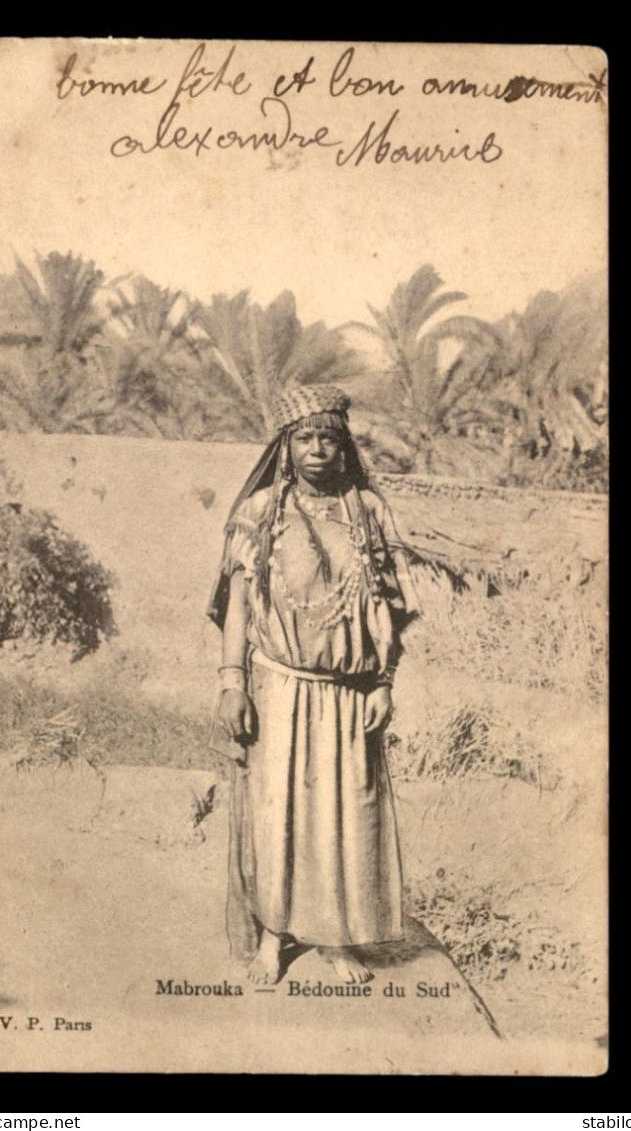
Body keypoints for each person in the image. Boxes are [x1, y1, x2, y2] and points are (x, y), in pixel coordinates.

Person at [207, 385, 420, 986]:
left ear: (344, 444)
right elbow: (238, 610)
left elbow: (393, 612)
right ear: (285, 446)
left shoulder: (368, 513)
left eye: (329, 437)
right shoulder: (259, 514)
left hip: (351, 693)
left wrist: (383, 682)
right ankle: (275, 936)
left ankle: (336, 936)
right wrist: (233, 684)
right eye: (305, 437)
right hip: (279, 687)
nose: (318, 449)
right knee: (278, 811)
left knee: (347, 812)